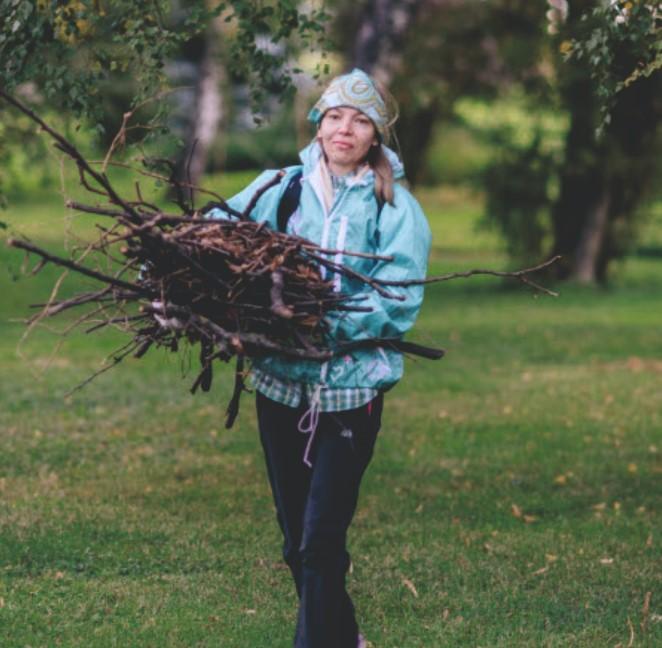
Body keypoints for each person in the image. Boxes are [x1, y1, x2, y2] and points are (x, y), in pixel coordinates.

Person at [212, 68, 431, 648]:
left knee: (319, 542)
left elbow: (399, 299)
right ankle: (349, 640)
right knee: (296, 545)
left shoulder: (395, 208)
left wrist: (322, 318)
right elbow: (217, 233)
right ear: (319, 123)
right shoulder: (279, 187)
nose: (345, 128)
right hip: (281, 387)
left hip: (351, 393)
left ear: (375, 137)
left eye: (360, 121)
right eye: (335, 115)